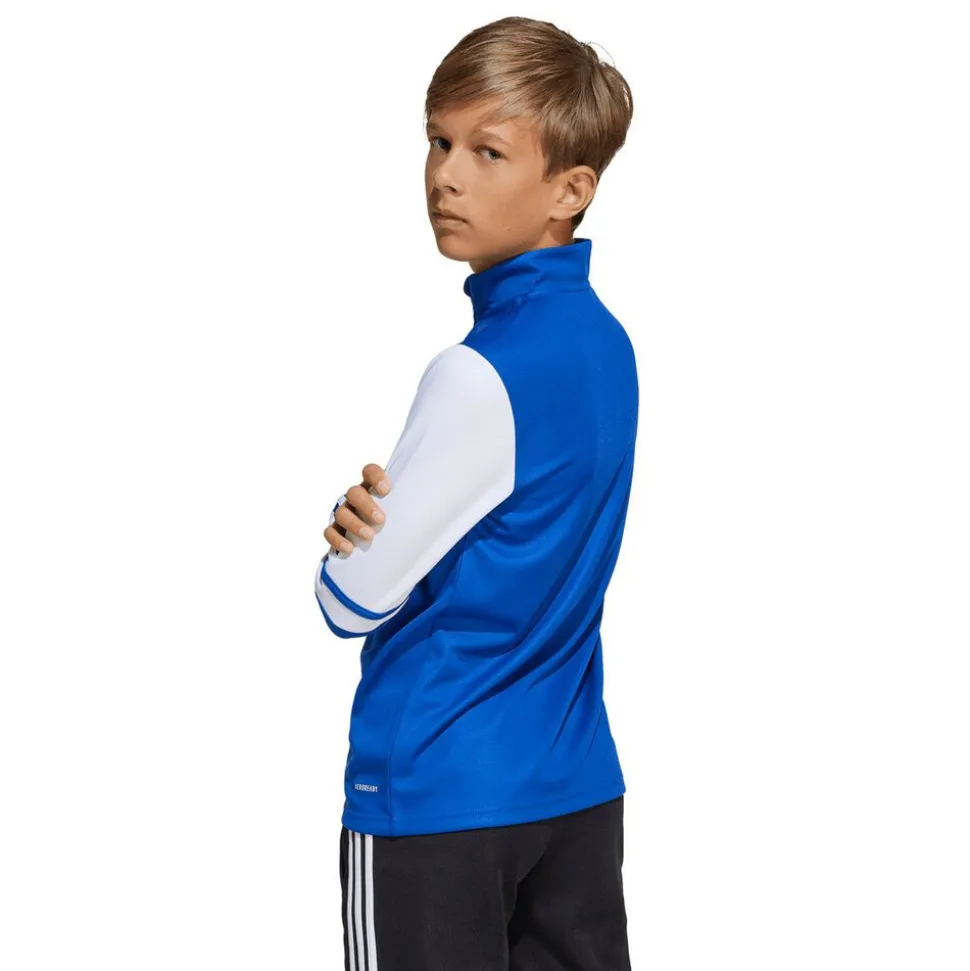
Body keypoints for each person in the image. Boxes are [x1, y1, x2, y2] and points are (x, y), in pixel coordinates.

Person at [315, 16, 637, 970]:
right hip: (573, 787)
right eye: (439, 140)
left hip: (436, 792)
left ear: (570, 190)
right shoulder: (607, 345)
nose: (445, 176)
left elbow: (349, 601)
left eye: (488, 152)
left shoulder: (475, 372)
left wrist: (349, 540)